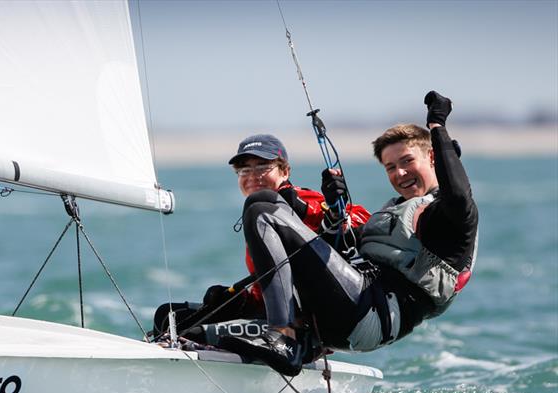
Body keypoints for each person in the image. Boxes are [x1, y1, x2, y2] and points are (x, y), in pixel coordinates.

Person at [221, 91, 479, 377]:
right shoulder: (393, 211)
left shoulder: (449, 219)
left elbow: (457, 193)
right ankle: (292, 340)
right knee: (181, 320)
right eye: (390, 167)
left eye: (407, 161)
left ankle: (283, 337)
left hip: (368, 316)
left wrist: (437, 126)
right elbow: (335, 252)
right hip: (343, 310)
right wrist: (330, 210)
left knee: (260, 208)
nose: (400, 173)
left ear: (433, 158)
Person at [151, 134, 368, 343]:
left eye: (263, 167)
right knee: (168, 316)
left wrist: (318, 211)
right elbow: (275, 284)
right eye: (244, 169)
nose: (253, 176)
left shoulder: (299, 199)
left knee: (193, 334)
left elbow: (361, 219)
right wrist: (240, 302)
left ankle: (285, 339)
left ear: (285, 171)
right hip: (269, 313)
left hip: (309, 323)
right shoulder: (257, 214)